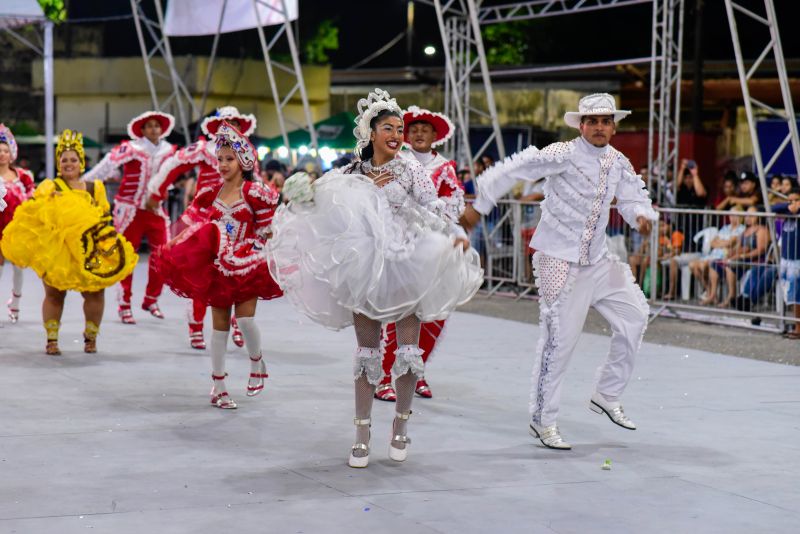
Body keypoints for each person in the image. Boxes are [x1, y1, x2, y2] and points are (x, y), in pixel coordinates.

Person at [267, 88, 482, 467]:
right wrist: (301, 195)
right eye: (389, 128)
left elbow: (436, 210)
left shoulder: (412, 170)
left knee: (408, 352)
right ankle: (362, 434)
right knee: (368, 354)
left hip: (407, 265)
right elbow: (318, 204)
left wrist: (452, 236)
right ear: (370, 132)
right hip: (364, 270)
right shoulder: (350, 173)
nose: (397, 135)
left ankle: (400, 428)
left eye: (399, 128)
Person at [462, 93, 657, 450]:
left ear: (614, 126)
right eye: (592, 121)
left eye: (605, 121)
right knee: (559, 342)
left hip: (599, 259)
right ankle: (543, 420)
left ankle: (606, 394)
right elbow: (513, 169)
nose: (599, 127)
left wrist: (641, 217)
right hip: (557, 259)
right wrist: (481, 204)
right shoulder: (561, 153)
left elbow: (633, 199)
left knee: (635, 316)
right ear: (581, 125)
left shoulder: (618, 162)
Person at [155, 122, 282, 409]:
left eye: (229, 159)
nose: (223, 164)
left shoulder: (255, 192)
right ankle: (219, 386)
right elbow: (193, 225)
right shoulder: (208, 194)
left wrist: (259, 248)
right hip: (218, 268)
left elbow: (267, 229)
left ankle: (256, 361)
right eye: (220, 159)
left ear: (244, 161)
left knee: (247, 321)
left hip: (249, 265)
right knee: (220, 327)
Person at [1, 130, 138, 354]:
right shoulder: (49, 186)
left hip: (89, 250)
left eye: (73, 159)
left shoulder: (96, 188)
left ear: (81, 162)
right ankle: (51, 340)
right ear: (58, 163)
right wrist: (48, 206)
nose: (68, 164)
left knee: (95, 291)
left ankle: (90, 337)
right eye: (64, 160)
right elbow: (33, 214)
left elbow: (104, 219)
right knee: (55, 294)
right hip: (58, 251)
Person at [374, 105, 465, 402]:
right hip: (400, 246)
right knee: (398, 312)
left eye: (425, 129)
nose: (419, 133)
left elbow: (452, 206)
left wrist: (454, 233)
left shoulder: (446, 168)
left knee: (435, 313)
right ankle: (384, 376)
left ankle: (415, 372)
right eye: (413, 129)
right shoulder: (394, 161)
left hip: (436, 247)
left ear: (435, 135)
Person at [147, 106, 254, 350]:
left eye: (234, 124)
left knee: (239, 274)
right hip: (206, 220)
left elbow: (254, 185)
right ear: (216, 128)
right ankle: (195, 327)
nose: (230, 129)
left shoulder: (247, 153)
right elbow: (173, 165)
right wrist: (156, 192)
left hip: (237, 219)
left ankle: (238, 324)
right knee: (201, 276)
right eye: (225, 124)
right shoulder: (204, 149)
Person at [83, 111, 177, 324]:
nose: (154, 129)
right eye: (149, 126)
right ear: (142, 130)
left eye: (157, 125)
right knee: (126, 257)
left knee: (163, 255)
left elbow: (173, 174)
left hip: (155, 210)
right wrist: (82, 183)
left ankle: (151, 299)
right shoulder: (132, 148)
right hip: (130, 210)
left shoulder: (169, 151)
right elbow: (107, 166)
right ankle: (124, 304)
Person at [0, 124, 35, 323]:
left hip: (18, 228)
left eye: (6, 151)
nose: (2, 155)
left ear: (11, 153)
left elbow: (33, 199)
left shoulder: (23, 176)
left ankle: (15, 304)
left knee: (19, 268)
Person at [703, 206, 769, 308]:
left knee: (730, 266)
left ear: (760, 217)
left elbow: (760, 250)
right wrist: (732, 253)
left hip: (755, 261)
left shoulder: (762, 230)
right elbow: (739, 247)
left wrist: (742, 255)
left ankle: (731, 296)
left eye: (751, 215)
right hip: (743, 258)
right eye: (747, 215)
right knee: (715, 264)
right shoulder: (745, 231)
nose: (748, 218)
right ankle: (712, 294)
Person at [686, 206, 745, 301]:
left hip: (723, 256)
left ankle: (711, 294)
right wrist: (723, 243)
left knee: (702, 266)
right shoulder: (726, 227)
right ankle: (709, 290)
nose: (732, 217)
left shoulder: (742, 229)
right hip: (713, 254)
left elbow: (730, 243)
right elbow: (712, 242)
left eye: (734, 215)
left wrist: (721, 242)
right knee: (692, 265)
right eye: (730, 215)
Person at [773, 193, 800, 338]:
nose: (793, 203)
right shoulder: (786, 211)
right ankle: (795, 324)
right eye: (790, 200)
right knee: (792, 295)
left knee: (797, 296)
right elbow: (773, 207)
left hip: (797, 259)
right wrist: (789, 206)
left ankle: (798, 327)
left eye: (796, 200)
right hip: (787, 260)